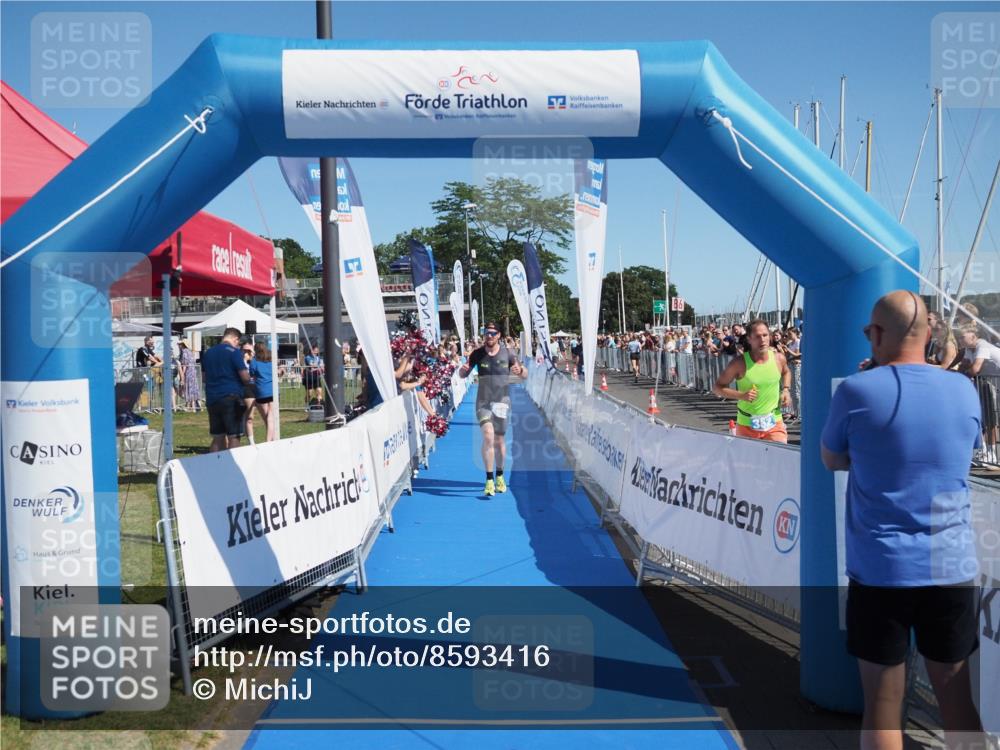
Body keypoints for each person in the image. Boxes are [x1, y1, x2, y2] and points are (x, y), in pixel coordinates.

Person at [820, 291, 983, 750]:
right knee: (957, 700)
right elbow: (962, 452)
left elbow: (831, 458)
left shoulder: (856, 390)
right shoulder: (963, 389)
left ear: (877, 334)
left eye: (869, 330)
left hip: (882, 568)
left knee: (883, 706)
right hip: (949, 567)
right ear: (928, 333)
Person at [458, 322, 526, 497]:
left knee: (499, 442)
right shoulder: (477, 354)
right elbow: (462, 373)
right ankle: (489, 480)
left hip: (502, 402)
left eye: (492, 333)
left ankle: (500, 475)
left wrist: (521, 370)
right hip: (483, 402)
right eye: (486, 333)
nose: (489, 336)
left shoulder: (509, 353)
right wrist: (463, 371)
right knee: (488, 436)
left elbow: (523, 374)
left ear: (498, 336)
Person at [711, 319, 792, 443]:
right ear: (749, 339)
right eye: (757, 336)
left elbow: (786, 372)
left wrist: (786, 389)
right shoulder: (739, 363)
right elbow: (717, 387)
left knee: (779, 460)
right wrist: (741, 395)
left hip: (774, 421)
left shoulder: (778, 359)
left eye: (765, 335)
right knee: (747, 463)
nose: (762, 340)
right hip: (747, 424)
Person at [201, 327, 253, 452]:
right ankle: (232, 466)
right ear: (235, 338)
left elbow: (203, 377)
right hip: (231, 398)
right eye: (238, 342)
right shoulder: (234, 352)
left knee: (218, 437)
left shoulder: (208, 353)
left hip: (212, 398)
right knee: (234, 436)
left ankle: (214, 465)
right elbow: (245, 377)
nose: (237, 345)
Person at [249, 342, 279, 442]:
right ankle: (271, 440)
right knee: (271, 418)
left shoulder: (254, 361)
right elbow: (277, 371)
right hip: (273, 390)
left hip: (261, 391)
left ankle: (270, 440)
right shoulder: (272, 359)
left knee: (267, 418)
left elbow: (252, 374)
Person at [177, 341, 201, 411]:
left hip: (188, 372)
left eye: (180, 344)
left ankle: (190, 407)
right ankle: (193, 407)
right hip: (193, 372)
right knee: (192, 389)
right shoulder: (190, 352)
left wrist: (182, 375)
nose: (179, 346)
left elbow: (185, 365)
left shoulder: (184, 352)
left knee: (188, 388)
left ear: (182, 345)